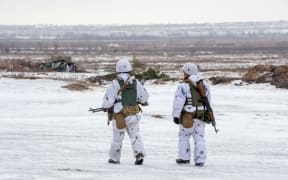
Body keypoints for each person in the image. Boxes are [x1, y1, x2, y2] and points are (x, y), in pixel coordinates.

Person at [102, 58, 149, 165]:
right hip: (133, 113)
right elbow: (144, 97)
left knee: (118, 137)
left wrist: (105, 106)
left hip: (120, 115)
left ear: (117, 70)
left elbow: (108, 102)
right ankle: (139, 153)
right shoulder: (136, 82)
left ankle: (114, 158)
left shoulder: (114, 84)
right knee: (135, 135)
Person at [172, 63, 212, 167]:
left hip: (187, 116)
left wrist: (176, 116)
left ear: (187, 72)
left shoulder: (183, 86)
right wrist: (209, 114)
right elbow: (208, 101)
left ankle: (184, 158)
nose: (183, 74)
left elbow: (178, 102)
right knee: (200, 138)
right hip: (201, 116)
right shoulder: (205, 84)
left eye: (184, 72)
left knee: (184, 136)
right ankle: (200, 160)